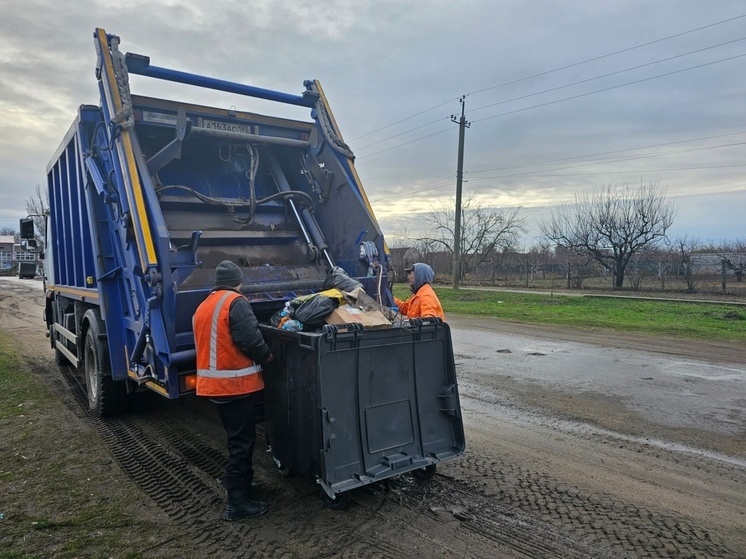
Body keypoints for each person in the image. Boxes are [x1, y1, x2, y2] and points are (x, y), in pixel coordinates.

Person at [192, 260, 274, 521]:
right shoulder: (235, 302)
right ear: (238, 281)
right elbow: (250, 340)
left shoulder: (204, 306)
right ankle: (237, 504)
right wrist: (269, 358)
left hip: (216, 388)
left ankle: (241, 487)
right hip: (234, 387)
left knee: (235, 440)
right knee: (242, 444)